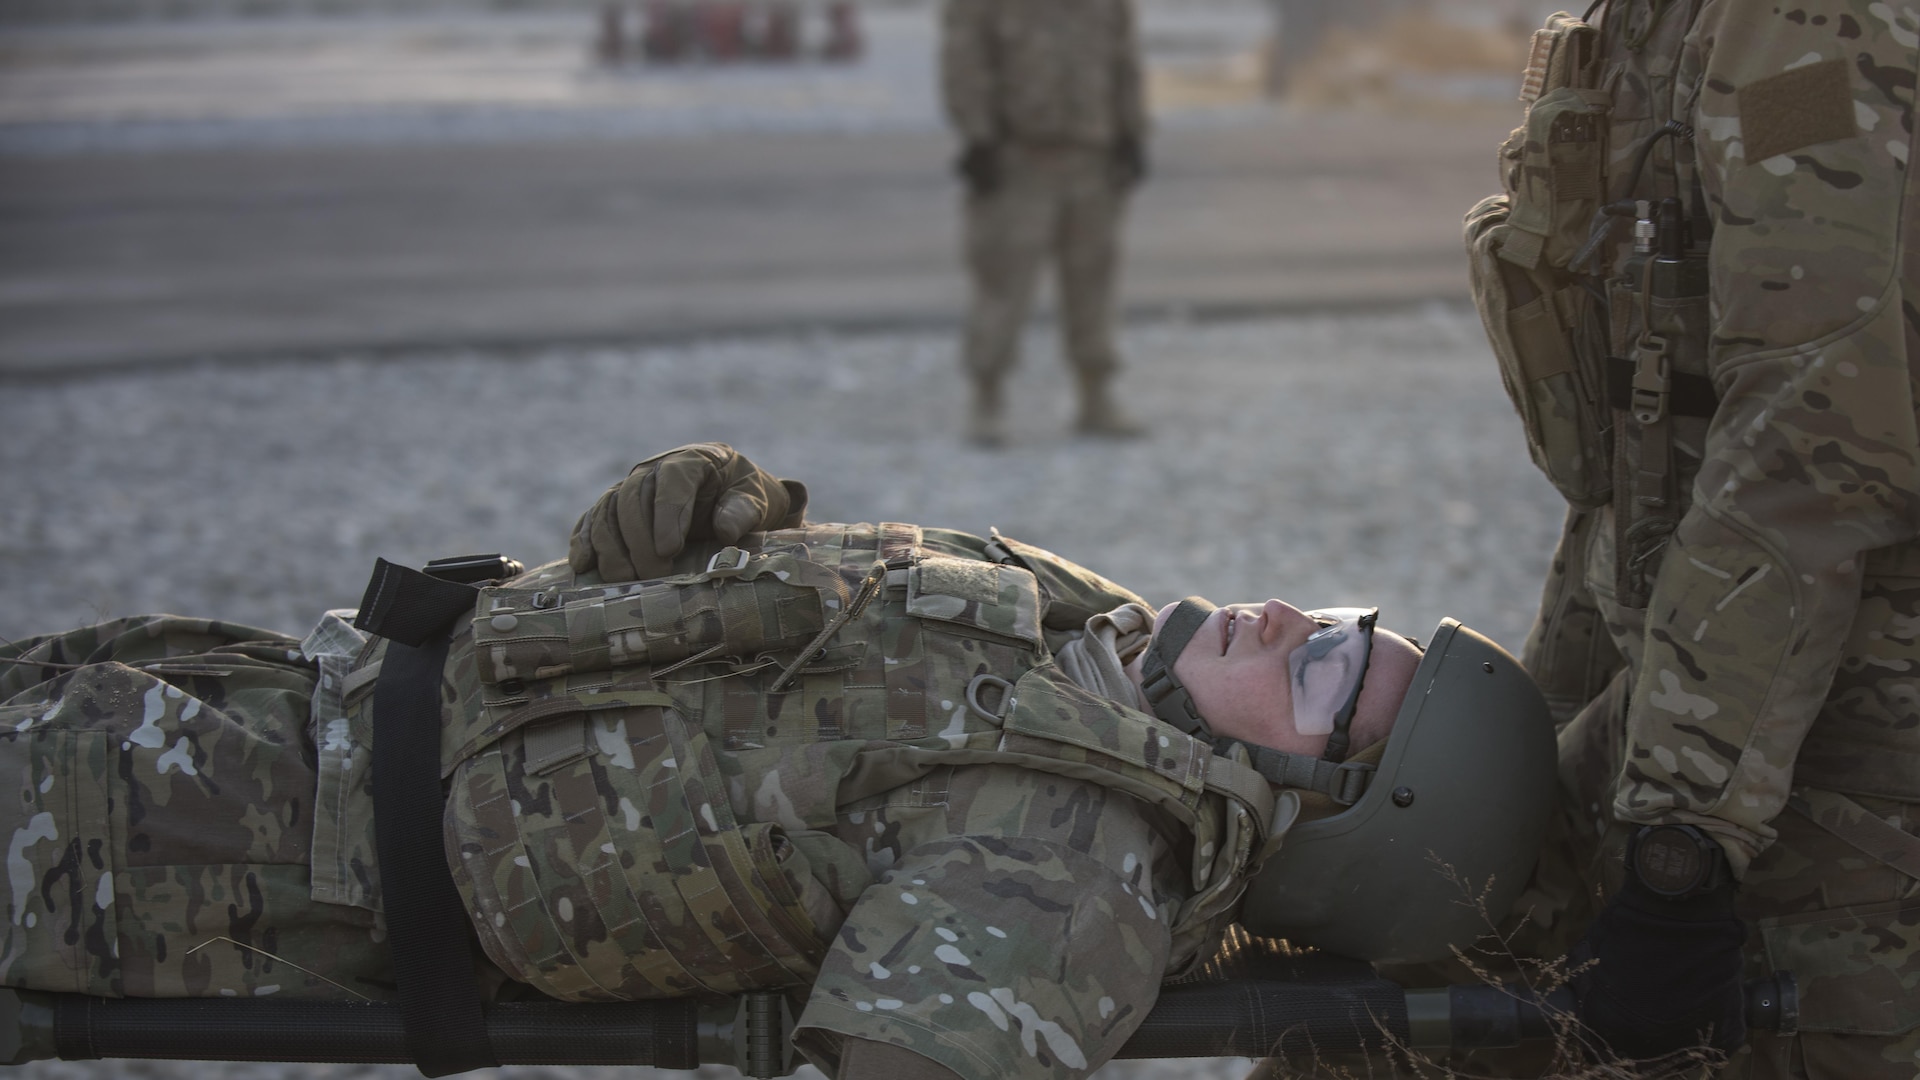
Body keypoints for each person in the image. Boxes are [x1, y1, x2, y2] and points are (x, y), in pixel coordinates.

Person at [0, 444, 1551, 1080]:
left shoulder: (1076, 872)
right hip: (235, 688)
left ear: (1331, 819)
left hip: (212, 851)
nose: (1297, 618)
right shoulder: (1084, 620)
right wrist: (660, 536)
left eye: (1333, 669)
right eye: (1347, 618)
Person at [1443, 1, 1920, 1075]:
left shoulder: (1813, 29)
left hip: (1839, 771)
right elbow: (1637, 451)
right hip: (1695, 712)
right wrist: (1550, 748)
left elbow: (1813, 443)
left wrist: (1681, 846)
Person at [938, 0, 1150, 446]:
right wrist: (977, 136)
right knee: (1002, 283)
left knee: (1094, 279)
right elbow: (964, 59)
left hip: (1092, 157)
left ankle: (1096, 395)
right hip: (1018, 159)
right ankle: (987, 398)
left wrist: (1133, 132)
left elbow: (1124, 60)